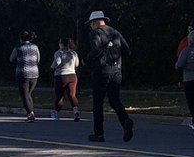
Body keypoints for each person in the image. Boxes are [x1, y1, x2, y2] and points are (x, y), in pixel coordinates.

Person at [86, 11, 134, 143]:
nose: (91, 26)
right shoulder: (115, 32)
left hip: (102, 71)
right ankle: (125, 121)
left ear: (95, 22)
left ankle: (99, 134)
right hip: (117, 70)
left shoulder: (95, 33)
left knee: (98, 103)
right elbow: (127, 50)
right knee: (114, 100)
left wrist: (88, 59)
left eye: (91, 23)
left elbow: (96, 49)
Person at [10, 31, 41, 122]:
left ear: (20, 39)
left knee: (24, 96)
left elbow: (11, 59)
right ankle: (31, 112)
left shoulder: (18, 48)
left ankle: (30, 114)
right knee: (28, 94)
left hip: (22, 73)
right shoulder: (35, 47)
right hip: (34, 74)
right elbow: (38, 59)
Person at [51, 37, 80, 121]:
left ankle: (56, 112)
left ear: (62, 44)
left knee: (59, 96)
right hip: (72, 76)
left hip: (61, 75)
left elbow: (57, 62)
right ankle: (76, 111)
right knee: (72, 95)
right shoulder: (73, 53)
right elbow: (77, 64)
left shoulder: (59, 53)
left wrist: (52, 66)